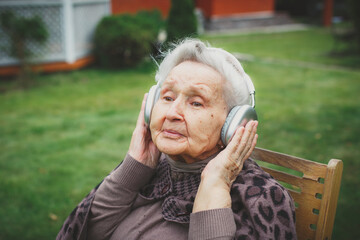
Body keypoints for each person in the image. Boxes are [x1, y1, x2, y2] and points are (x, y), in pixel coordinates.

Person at [57, 39, 296, 240]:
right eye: (168, 97)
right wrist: (132, 168)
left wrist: (215, 185)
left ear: (233, 125)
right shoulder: (148, 170)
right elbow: (85, 233)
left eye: (196, 103)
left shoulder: (259, 198)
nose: (172, 113)